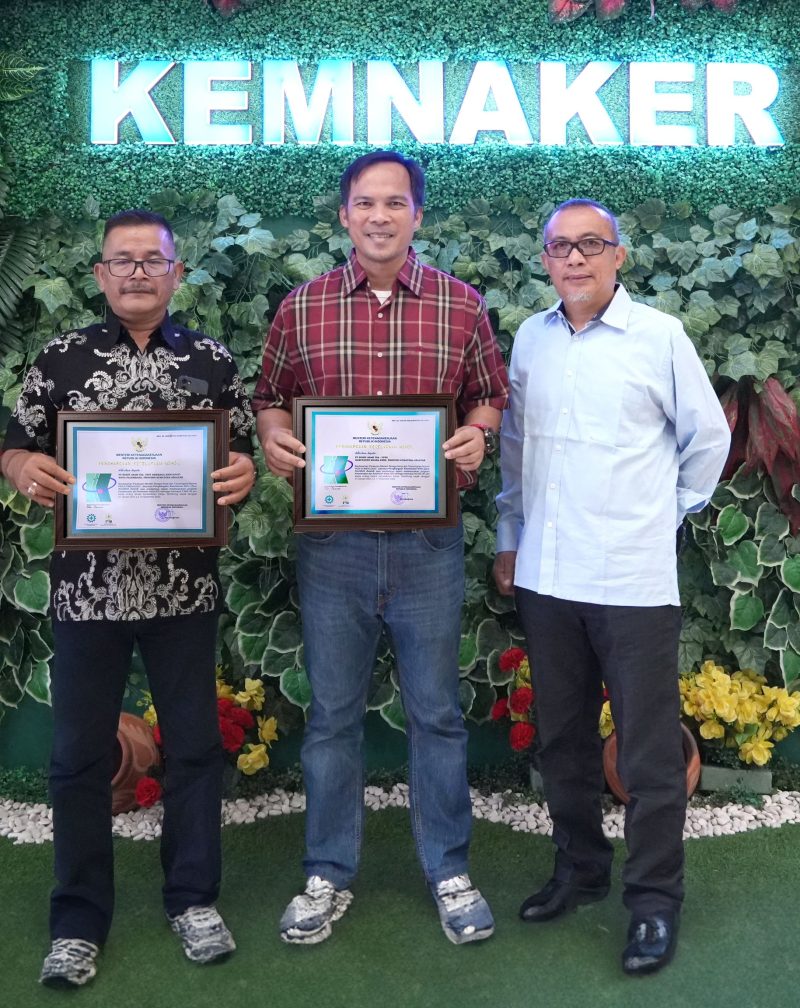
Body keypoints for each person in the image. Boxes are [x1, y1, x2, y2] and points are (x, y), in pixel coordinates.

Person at [253, 151, 508, 946]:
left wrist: (478, 434)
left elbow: (490, 396)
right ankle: (327, 874)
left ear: (417, 216)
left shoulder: (462, 306)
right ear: (344, 215)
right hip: (334, 546)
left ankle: (450, 870)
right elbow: (268, 397)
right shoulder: (302, 308)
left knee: (436, 714)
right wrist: (274, 437)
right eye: (365, 203)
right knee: (332, 717)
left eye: (396, 203)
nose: (380, 216)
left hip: (428, 543)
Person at [1, 209, 256, 987]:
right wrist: (19, 466)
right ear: (101, 274)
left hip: (184, 590)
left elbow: (243, 448)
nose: (139, 272)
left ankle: (193, 899)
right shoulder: (60, 358)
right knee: (79, 757)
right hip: (88, 593)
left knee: (195, 749)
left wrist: (244, 471)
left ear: (177, 273)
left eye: (153, 260)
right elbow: (14, 439)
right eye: (124, 260)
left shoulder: (211, 360)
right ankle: (78, 920)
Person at [493, 198, 730, 976]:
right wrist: (509, 537)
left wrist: (656, 515)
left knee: (649, 753)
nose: (575, 258)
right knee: (562, 739)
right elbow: (516, 450)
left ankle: (654, 902)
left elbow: (708, 440)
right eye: (560, 246)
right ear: (545, 260)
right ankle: (580, 870)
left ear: (619, 256)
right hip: (547, 574)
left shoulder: (659, 336)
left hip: (631, 578)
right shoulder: (531, 339)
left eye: (591, 244)